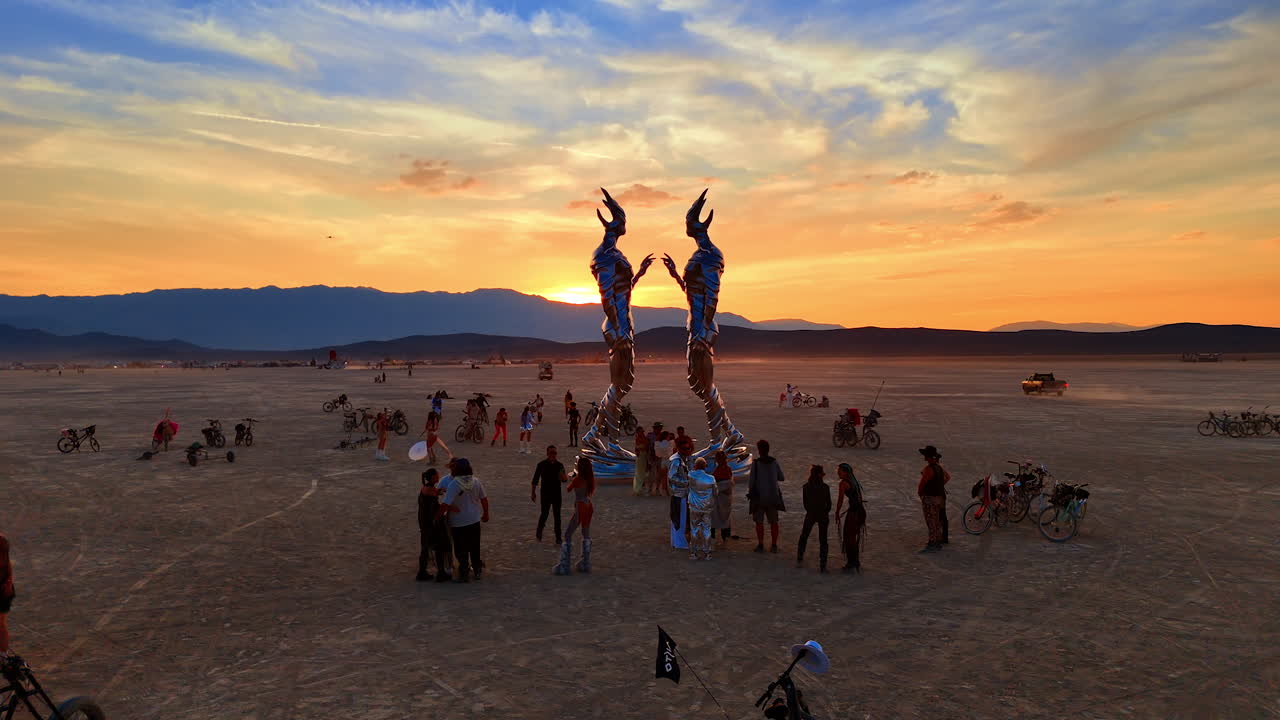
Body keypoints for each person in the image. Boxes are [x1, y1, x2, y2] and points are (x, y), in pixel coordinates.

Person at [439, 458, 488, 582]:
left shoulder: (454, 484)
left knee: (461, 549)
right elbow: (484, 499)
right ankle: (477, 569)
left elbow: (445, 504)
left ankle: (464, 571)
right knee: (475, 546)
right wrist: (486, 513)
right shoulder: (476, 481)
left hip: (458, 522)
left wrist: (437, 516)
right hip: (474, 520)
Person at [554, 457, 597, 574]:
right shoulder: (589, 479)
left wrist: (569, 478)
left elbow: (568, 489)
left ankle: (564, 564)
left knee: (568, 533)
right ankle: (585, 563)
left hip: (580, 506)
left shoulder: (578, 479)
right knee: (586, 533)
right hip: (588, 505)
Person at [747, 439, 786, 553]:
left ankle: (761, 544)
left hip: (759, 497)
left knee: (759, 522)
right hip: (773, 496)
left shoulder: (756, 464)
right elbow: (781, 477)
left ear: (759, 450)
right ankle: (774, 545)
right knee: (774, 522)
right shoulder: (774, 462)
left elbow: (751, 482)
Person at [416, 469, 452, 582]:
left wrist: (442, 490)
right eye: (437, 475)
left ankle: (422, 572)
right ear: (432, 478)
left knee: (425, 547)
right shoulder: (429, 489)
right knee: (439, 546)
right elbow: (435, 494)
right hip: (431, 523)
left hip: (424, 522)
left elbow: (436, 492)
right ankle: (441, 573)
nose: (438, 477)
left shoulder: (426, 487)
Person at [796, 465, 832, 572]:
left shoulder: (806, 487)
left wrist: (811, 511)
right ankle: (823, 564)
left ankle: (800, 556)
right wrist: (825, 512)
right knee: (823, 540)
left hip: (811, 514)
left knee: (804, 535)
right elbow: (829, 504)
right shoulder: (825, 488)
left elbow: (805, 503)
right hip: (823, 515)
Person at [917, 445, 950, 552]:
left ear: (927, 457)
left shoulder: (928, 469)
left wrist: (920, 494)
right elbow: (947, 477)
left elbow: (922, 485)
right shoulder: (939, 467)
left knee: (930, 521)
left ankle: (932, 543)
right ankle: (937, 541)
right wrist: (939, 485)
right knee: (936, 520)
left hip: (929, 498)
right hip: (939, 498)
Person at [835, 463, 867, 572]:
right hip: (860, 512)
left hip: (854, 513)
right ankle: (855, 561)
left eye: (840, 471)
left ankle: (851, 562)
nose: (838, 473)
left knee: (849, 537)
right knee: (853, 537)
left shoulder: (843, 484)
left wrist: (837, 512)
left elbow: (840, 500)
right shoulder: (854, 481)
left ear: (845, 472)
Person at [532, 445, 567, 544]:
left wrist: (563, 476)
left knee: (557, 516)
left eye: (555, 453)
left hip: (556, 493)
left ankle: (558, 537)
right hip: (545, 493)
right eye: (551, 452)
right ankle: (539, 530)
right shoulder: (541, 465)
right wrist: (533, 492)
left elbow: (564, 480)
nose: (553, 455)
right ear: (547, 453)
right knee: (544, 514)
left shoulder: (560, 465)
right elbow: (535, 479)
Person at [686, 458, 717, 560]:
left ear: (695, 466)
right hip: (706, 508)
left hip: (694, 507)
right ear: (705, 466)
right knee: (707, 530)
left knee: (694, 530)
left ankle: (693, 553)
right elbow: (715, 493)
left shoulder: (691, 475)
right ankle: (707, 552)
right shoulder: (711, 479)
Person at [667, 439, 694, 550]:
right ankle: (679, 542)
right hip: (679, 494)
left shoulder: (685, 459)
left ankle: (678, 541)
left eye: (688, 448)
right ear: (679, 449)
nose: (687, 450)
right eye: (685, 449)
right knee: (679, 518)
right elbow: (671, 477)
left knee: (680, 518)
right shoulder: (676, 461)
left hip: (683, 493)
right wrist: (686, 483)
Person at [710, 449, 734, 542]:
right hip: (726, 497)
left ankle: (713, 535)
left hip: (719, 496)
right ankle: (725, 534)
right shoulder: (728, 469)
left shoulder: (718, 470)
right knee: (725, 516)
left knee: (714, 516)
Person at [0, 531, 12, 652]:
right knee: (1, 625)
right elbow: (8, 566)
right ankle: (3, 657)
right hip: (4, 587)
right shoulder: (2, 540)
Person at [653, 431, 673, 496]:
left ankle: (663, 490)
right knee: (669, 476)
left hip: (663, 461)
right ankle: (668, 490)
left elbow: (657, 454)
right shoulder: (670, 443)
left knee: (663, 477)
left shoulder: (659, 444)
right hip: (668, 460)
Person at [633, 427, 650, 496]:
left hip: (644, 456)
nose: (642, 433)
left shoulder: (643, 439)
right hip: (640, 457)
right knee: (639, 473)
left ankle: (640, 488)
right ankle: (638, 489)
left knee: (643, 473)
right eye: (641, 432)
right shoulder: (639, 439)